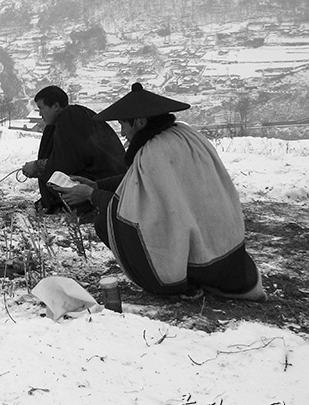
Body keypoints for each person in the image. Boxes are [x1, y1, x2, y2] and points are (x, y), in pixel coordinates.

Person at [58, 83, 266, 301]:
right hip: (224, 246)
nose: (122, 132)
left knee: (106, 221)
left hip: (200, 257)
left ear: (139, 122)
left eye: (123, 124)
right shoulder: (183, 135)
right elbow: (138, 182)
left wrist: (89, 195)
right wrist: (97, 185)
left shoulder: (153, 151)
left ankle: (176, 284)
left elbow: (133, 211)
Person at [21, 86, 127, 215]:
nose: (40, 114)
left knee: (61, 182)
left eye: (42, 108)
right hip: (115, 179)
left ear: (55, 106)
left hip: (107, 182)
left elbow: (65, 165)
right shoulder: (68, 118)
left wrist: (38, 167)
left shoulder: (71, 118)